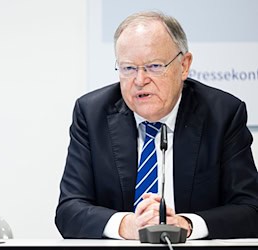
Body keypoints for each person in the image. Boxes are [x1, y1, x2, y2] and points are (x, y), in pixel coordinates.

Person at [55, 11, 258, 240]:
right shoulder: (92, 114)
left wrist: (186, 225)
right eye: (129, 68)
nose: (140, 80)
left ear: (184, 65)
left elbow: (250, 210)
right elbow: (68, 211)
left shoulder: (222, 115)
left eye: (154, 66)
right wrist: (126, 225)